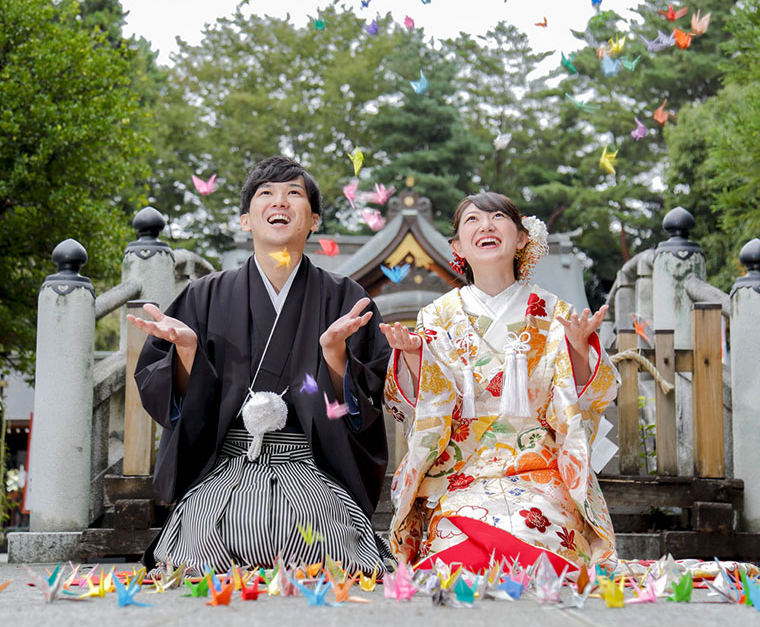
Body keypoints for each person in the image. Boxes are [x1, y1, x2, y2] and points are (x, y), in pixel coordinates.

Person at [128, 156, 391, 574]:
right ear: (246, 221)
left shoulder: (344, 298)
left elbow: (366, 402)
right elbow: (173, 401)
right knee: (213, 538)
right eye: (265, 194)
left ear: (314, 220)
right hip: (230, 468)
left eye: (294, 194)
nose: (279, 202)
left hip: (310, 469)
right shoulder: (204, 295)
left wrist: (335, 357)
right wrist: (188, 354)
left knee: (315, 540)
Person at [380, 193, 620, 574]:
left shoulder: (555, 312)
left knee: (532, 532)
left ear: (522, 238)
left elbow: (579, 401)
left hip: (538, 471)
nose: (486, 225)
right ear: (457, 246)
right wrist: (413, 357)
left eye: (497, 217)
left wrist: (577, 349)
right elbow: (425, 404)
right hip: (462, 472)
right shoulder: (437, 315)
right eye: (472, 220)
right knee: (458, 557)